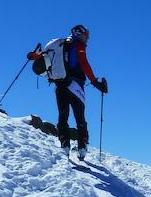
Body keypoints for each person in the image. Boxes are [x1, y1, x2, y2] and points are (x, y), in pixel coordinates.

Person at [28, 25, 108, 159]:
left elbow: (40, 55)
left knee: (62, 115)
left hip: (60, 85)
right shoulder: (79, 46)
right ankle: (82, 148)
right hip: (75, 86)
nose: (87, 37)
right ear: (79, 34)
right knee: (80, 117)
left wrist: (32, 56)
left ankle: (64, 144)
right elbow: (84, 64)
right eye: (86, 34)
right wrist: (95, 82)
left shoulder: (58, 44)